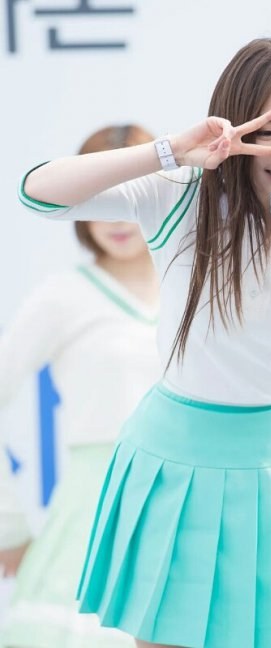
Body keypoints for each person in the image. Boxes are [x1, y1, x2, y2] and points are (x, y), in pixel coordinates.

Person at [17, 35, 271, 648]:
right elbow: (38, 193)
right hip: (174, 465)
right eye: (266, 131)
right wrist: (169, 151)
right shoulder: (181, 195)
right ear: (235, 125)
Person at [0, 125, 161, 647]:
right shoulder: (63, 296)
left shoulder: (196, 287)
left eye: (129, 194)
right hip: (94, 513)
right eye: (98, 196)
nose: (114, 215)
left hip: (190, 502)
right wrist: (8, 525)